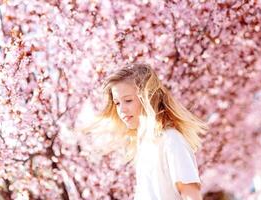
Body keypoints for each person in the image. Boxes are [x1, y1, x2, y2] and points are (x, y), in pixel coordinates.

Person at [81, 63, 208, 200]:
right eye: (117, 103)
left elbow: (191, 193)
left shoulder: (171, 140)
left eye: (128, 100)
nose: (122, 110)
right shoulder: (145, 144)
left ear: (148, 99)